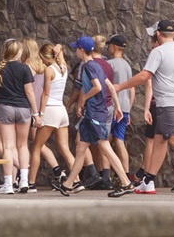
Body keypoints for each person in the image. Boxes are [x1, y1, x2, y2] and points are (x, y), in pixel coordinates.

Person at [114, 20, 174, 195]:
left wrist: (120, 87)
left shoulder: (158, 52)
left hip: (168, 101)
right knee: (160, 139)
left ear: (158, 34)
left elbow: (145, 76)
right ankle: (148, 181)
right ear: (173, 34)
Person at [56, 37, 132, 198]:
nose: (75, 50)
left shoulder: (88, 67)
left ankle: (126, 182)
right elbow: (110, 87)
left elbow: (98, 87)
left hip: (95, 113)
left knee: (105, 146)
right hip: (94, 113)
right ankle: (69, 184)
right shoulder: (96, 65)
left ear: (82, 50)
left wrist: (83, 99)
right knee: (81, 148)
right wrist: (117, 107)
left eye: (77, 48)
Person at [0, 38, 39, 195]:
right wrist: (36, 113)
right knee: (23, 145)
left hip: (5, 108)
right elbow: (29, 92)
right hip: (23, 109)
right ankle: (24, 180)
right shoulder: (24, 69)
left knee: (8, 147)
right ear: (20, 52)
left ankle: (8, 183)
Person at [28, 42, 71, 193]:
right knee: (65, 148)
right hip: (62, 111)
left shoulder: (49, 70)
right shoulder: (63, 67)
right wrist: (59, 49)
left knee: (36, 147)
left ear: (45, 57)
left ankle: (31, 183)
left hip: (51, 110)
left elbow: (45, 94)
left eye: (42, 58)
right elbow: (60, 49)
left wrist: (40, 113)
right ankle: (75, 181)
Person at [105, 35, 136, 180]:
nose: (108, 47)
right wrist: (128, 110)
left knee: (105, 140)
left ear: (115, 47)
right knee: (119, 140)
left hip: (113, 107)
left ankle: (106, 175)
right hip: (124, 108)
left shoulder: (110, 64)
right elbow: (132, 89)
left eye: (110, 45)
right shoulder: (127, 65)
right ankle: (125, 173)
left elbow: (108, 87)